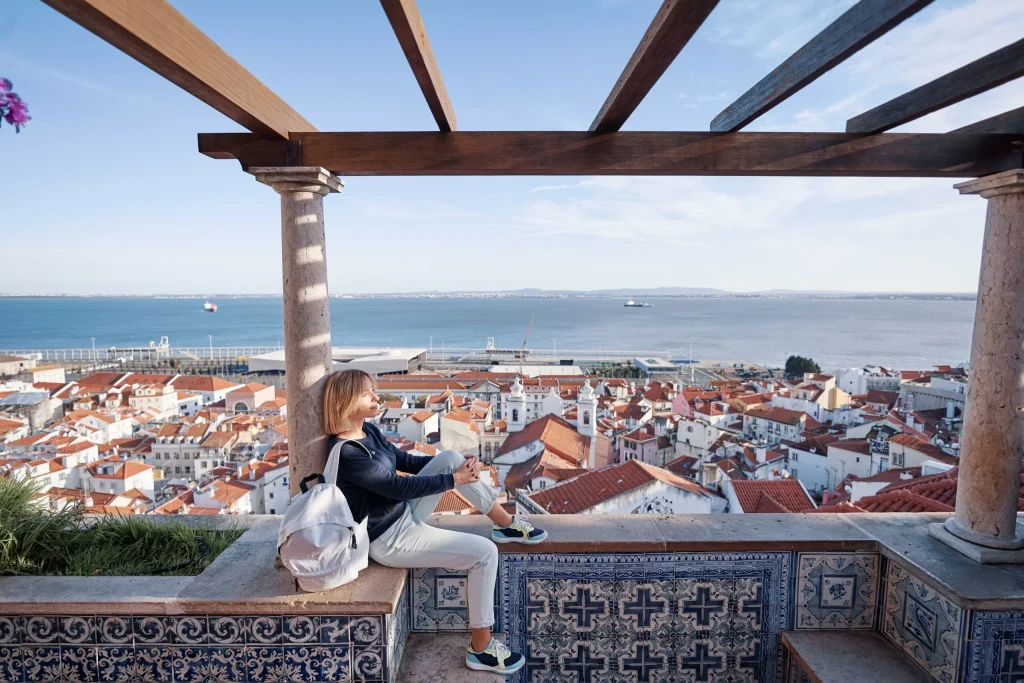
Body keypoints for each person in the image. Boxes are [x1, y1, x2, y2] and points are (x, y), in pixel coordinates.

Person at [323, 369, 546, 675]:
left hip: (401, 513)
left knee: (452, 455)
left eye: (373, 390)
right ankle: (481, 650)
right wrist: (453, 480)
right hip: (389, 539)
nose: (377, 397)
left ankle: (506, 523)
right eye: (367, 393)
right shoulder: (349, 454)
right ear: (346, 402)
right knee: (485, 554)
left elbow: (405, 462)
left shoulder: (368, 432)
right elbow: (397, 486)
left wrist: (458, 468)